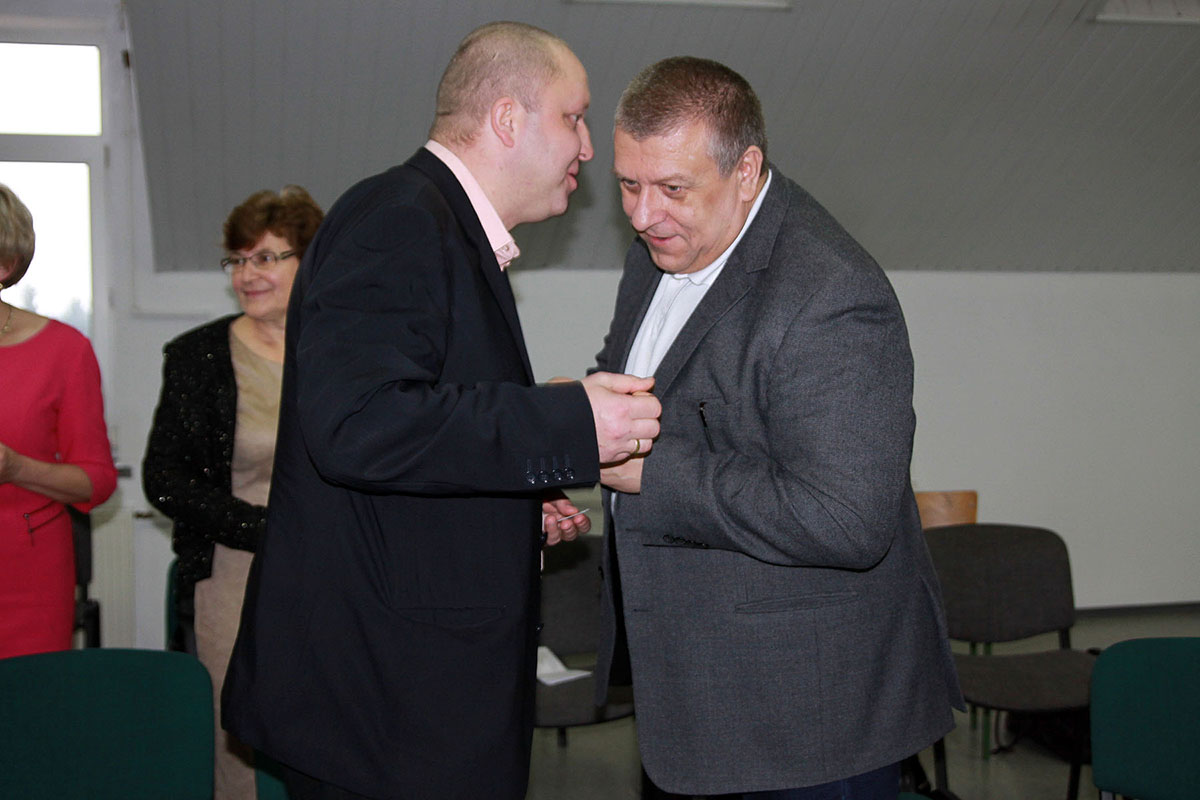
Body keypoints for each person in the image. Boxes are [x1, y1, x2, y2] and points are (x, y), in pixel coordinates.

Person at [222, 22, 661, 800]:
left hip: (408, 694)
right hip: (384, 706)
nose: (589, 147)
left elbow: (411, 433)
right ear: (507, 119)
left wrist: (510, 503)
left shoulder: (438, 225)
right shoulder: (398, 216)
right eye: (574, 117)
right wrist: (568, 424)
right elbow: (356, 425)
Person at [594, 57, 963, 800]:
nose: (642, 214)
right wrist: (572, 422)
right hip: (693, 696)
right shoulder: (659, 252)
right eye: (628, 185)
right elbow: (638, 382)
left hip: (805, 720)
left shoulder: (832, 293)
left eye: (671, 188)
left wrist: (650, 474)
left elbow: (846, 519)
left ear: (745, 170)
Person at [142, 186, 324, 800]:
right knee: (238, 744)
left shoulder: (343, 349)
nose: (247, 275)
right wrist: (262, 528)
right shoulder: (197, 357)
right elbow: (164, 477)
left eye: (265, 257)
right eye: (237, 260)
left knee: (333, 733)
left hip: (336, 571)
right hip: (236, 574)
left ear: (309, 261)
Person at [0, 183, 117, 659]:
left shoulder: (63, 351)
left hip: (26, 578)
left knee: (27, 702)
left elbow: (97, 480)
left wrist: (15, 468)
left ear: (4, 265)